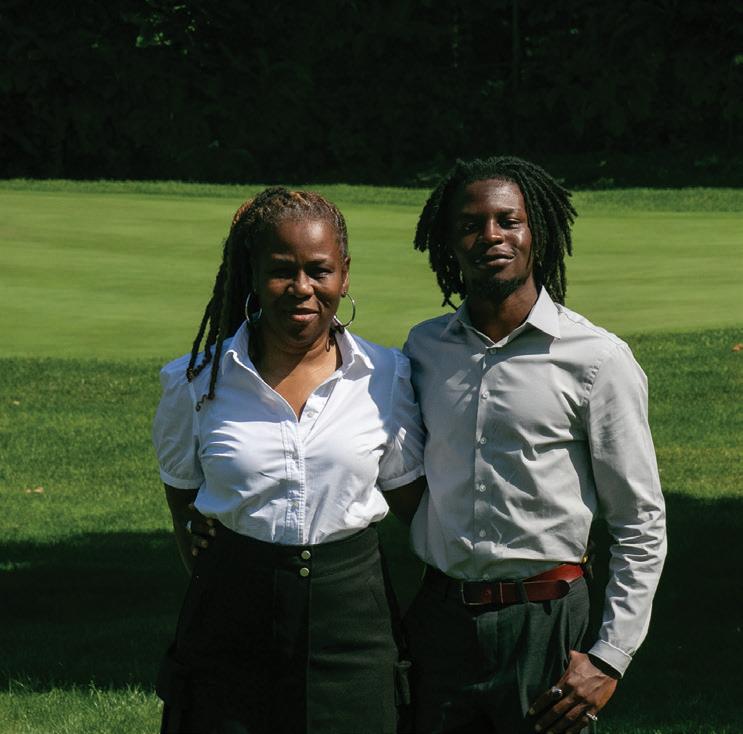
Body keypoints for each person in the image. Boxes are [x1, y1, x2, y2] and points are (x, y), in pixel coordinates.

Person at [402, 156, 667, 734]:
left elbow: (639, 521)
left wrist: (610, 656)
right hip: (441, 623)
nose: (490, 236)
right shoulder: (423, 350)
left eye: (508, 220)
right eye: (470, 224)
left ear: (536, 232)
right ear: (449, 242)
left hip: (547, 623)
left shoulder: (597, 359)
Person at [152, 187, 426, 734]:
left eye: (318, 270)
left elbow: (419, 511)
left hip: (353, 628)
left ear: (344, 274)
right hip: (228, 628)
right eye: (281, 270)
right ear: (252, 276)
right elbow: (182, 498)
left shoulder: (387, 376)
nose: (302, 287)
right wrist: (219, 568)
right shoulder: (195, 381)